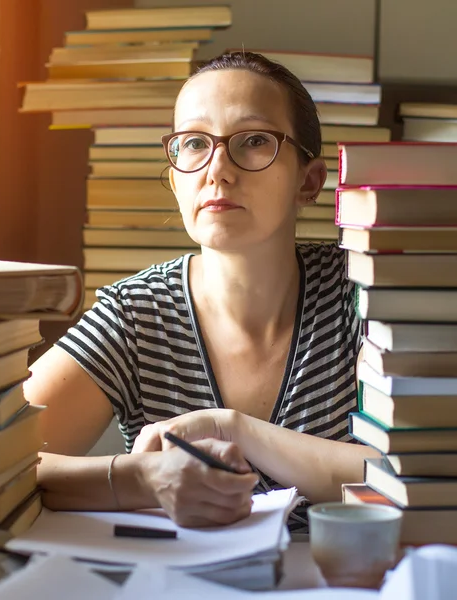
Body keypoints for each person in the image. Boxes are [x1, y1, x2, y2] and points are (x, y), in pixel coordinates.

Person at [24, 51, 378, 530]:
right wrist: (142, 479)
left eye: (253, 141)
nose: (217, 170)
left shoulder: (366, 294)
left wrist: (233, 428)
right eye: (194, 143)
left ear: (308, 181)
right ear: (175, 181)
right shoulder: (135, 314)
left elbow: (416, 474)